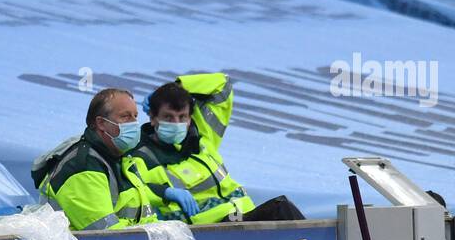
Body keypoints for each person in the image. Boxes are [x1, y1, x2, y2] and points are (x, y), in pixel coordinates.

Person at [128, 74, 305, 223]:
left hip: (242, 219)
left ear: (191, 118)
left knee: (287, 219)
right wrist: (165, 192)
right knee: (281, 209)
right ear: (152, 117)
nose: (177, 124)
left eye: (182, 117)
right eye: (168, 117)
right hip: (209, 230)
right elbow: (134, 190)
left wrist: (175, 88)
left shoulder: (203, 139)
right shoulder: (141, 155)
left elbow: (222, 85)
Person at [34, 88, 161, 231]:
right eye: (125, 117)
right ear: (101, 123)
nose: (134, 124)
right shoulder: (83, 166)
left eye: (135, 116)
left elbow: (147, 222)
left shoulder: (122, 160)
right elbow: (105, 235)